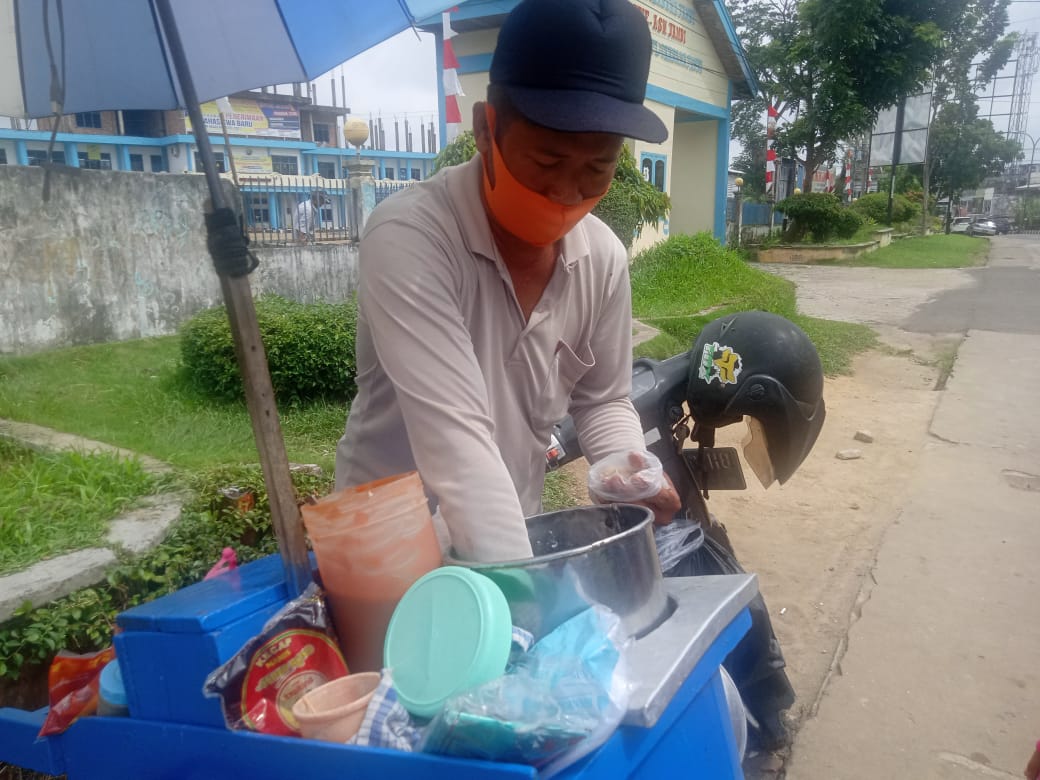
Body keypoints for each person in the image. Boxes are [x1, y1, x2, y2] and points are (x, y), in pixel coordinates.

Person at [335, 0, 679, 562]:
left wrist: (621, 467)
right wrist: (526, 590)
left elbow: (603, 399)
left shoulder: (603, 258)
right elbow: (457, 440)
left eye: (598, 168)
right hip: (385, 558)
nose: (568, 194)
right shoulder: (410, 238)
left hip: (507, 537)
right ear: (485, 128)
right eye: (546, 162)